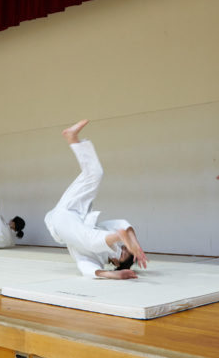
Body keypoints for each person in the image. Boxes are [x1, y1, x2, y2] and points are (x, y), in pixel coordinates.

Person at [44, 119, 148, 279]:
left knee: (90, 240)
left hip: (61, 224)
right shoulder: (103, 231)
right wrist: (137, 245)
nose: (122, 249)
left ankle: (119, 239)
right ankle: (72, 138)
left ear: (118, 264)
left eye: (123, 252)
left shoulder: (95, 260)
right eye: (125, 247)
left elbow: (87, 270)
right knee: (95, 174)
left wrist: (116, 275)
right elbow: (123, 224)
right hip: (73, 211)